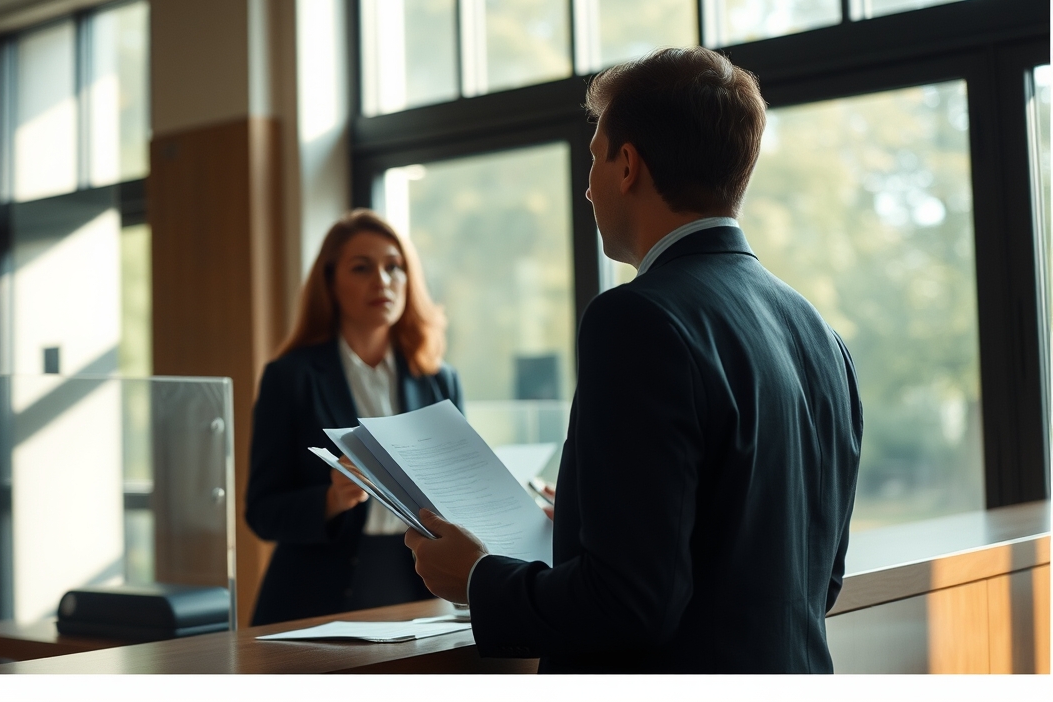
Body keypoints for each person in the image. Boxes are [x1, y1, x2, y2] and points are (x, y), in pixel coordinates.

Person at [405, 47, 863, 673]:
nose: (587, 189)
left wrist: (477, 578)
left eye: (593, 159)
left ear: (627, 165)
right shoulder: (820, 335)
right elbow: (813, 576)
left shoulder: (637, 319)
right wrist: (596, 518)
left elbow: (630, 604)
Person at [245, 209, 463, 626]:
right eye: (362, 268)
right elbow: (262, 511)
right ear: (330, 283)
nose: (382, 280)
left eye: (394, 267)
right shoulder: (290, 378)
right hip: (316, 593)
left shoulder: (439, 380)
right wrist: (330, 499)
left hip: (419, 584)